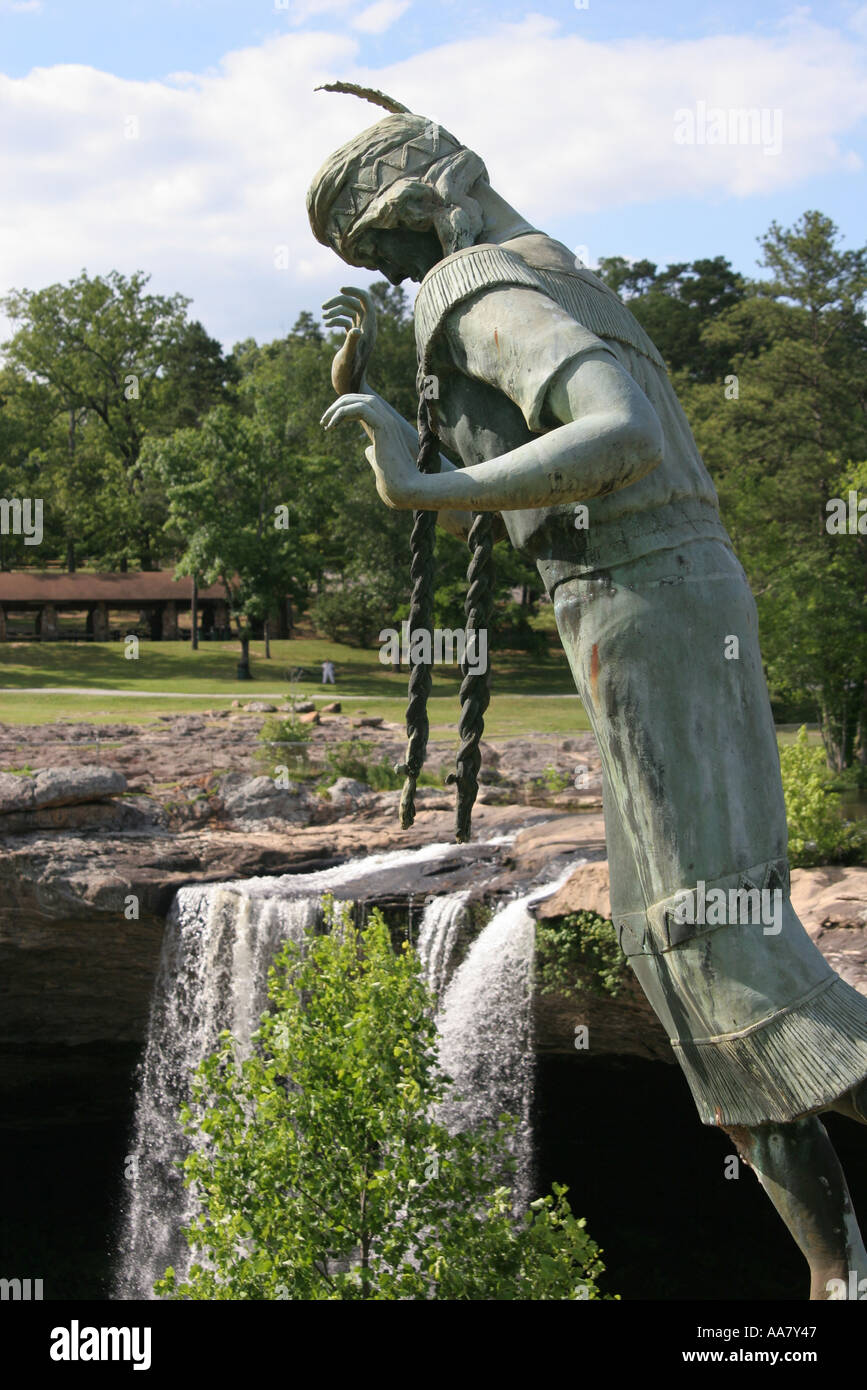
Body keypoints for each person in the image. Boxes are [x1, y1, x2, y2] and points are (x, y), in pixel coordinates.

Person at [307, 87, 867, 1298]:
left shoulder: (474, 284)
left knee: (712, 944)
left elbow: (611, 435)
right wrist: (419, 418)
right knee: (680, 947)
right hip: (662, 595)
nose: (407, 281)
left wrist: (414, 485)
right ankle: (836, 1272)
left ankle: (837, 1274)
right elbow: (553, 461)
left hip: (644, 601)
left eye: (393, 252)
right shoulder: (552, 268)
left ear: (429, 201)